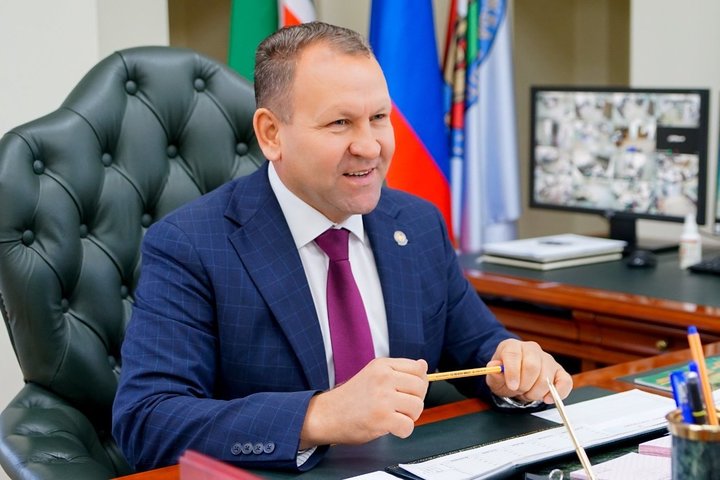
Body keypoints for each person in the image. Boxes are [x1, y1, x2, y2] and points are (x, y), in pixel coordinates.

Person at [112, 21, 572, 473]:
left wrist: (516, 367)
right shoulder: (191, 244)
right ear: (271, 134)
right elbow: (148, 423)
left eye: (379, 118)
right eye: (340, 123)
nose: (369, 147)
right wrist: (319, 417)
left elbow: (481, 348)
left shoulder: (417, 223)